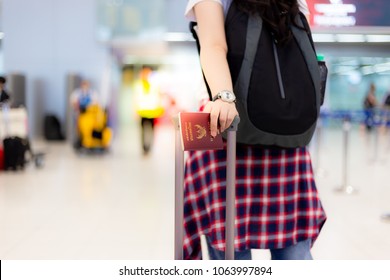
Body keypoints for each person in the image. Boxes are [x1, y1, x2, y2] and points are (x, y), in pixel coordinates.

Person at [183, 0, 326, 260]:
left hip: (223, 123)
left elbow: (214, 45)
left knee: (228, 248)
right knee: (293, 249)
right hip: (286, 134)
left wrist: (224, 98)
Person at [134, 67, 165, 155]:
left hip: (152, 111)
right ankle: (144, 148)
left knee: (152, 130)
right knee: (143, 131)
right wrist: (135, 111)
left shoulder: (154, 84)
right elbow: (136, 98)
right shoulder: (139, 84)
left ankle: (150, 147)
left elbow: (158, 97)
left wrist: (160, 109)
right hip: (142, 111)